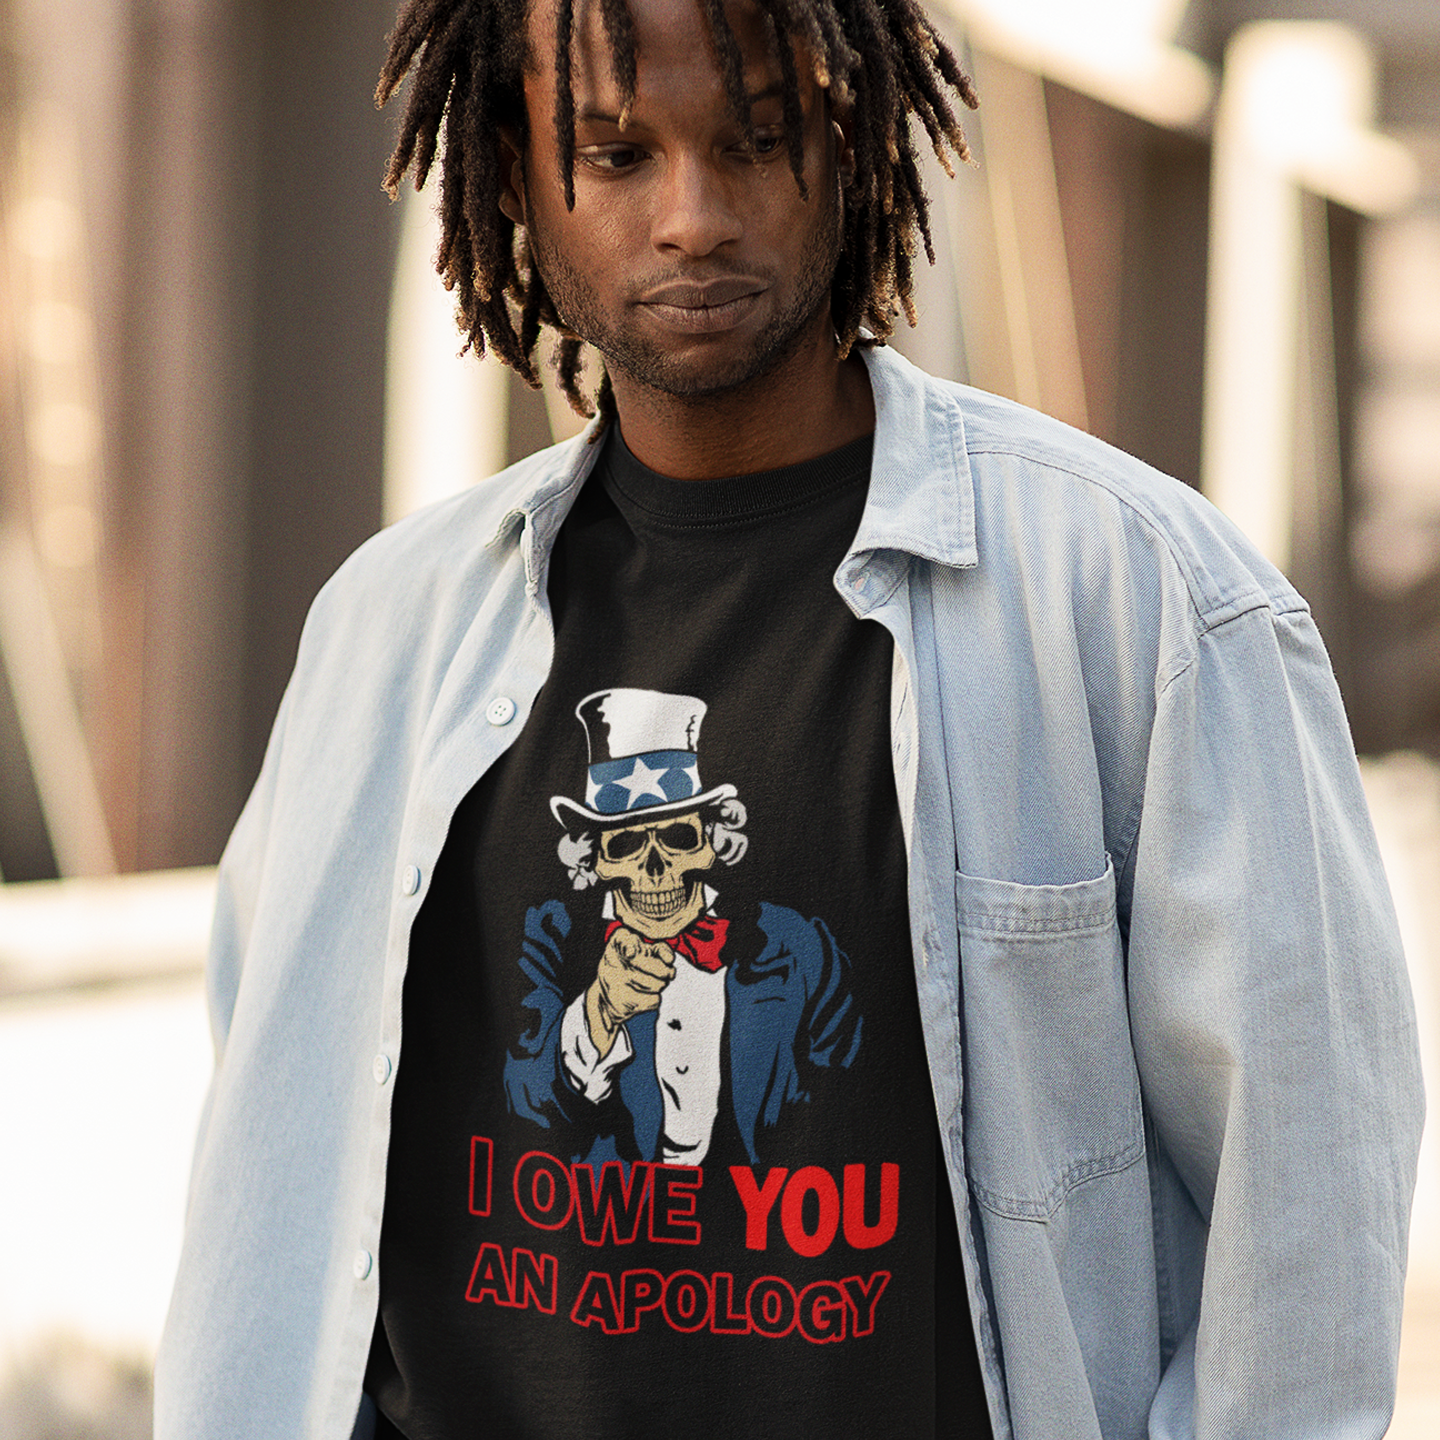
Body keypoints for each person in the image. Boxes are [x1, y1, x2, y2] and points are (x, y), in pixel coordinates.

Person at [154, 0, 1425, 1435]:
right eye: (617, 152)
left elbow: (1305, 1195)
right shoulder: (387, 632)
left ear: (857, 141)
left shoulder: (1141, 602)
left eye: (758, 138)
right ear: (513, 175)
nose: (692, 216)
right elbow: (272, 1162)